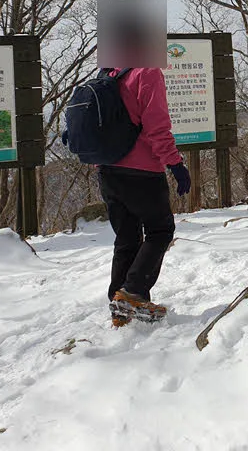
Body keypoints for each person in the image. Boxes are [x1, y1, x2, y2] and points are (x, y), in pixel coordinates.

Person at [99, 52, 192, 328]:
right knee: (160, 230)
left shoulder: (109, 72)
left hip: (107, 170)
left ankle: (119, 308)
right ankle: (132, 292)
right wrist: (175, 164)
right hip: (141, 171)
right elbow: (157, 128)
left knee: (126, 238)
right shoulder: (146, 71)